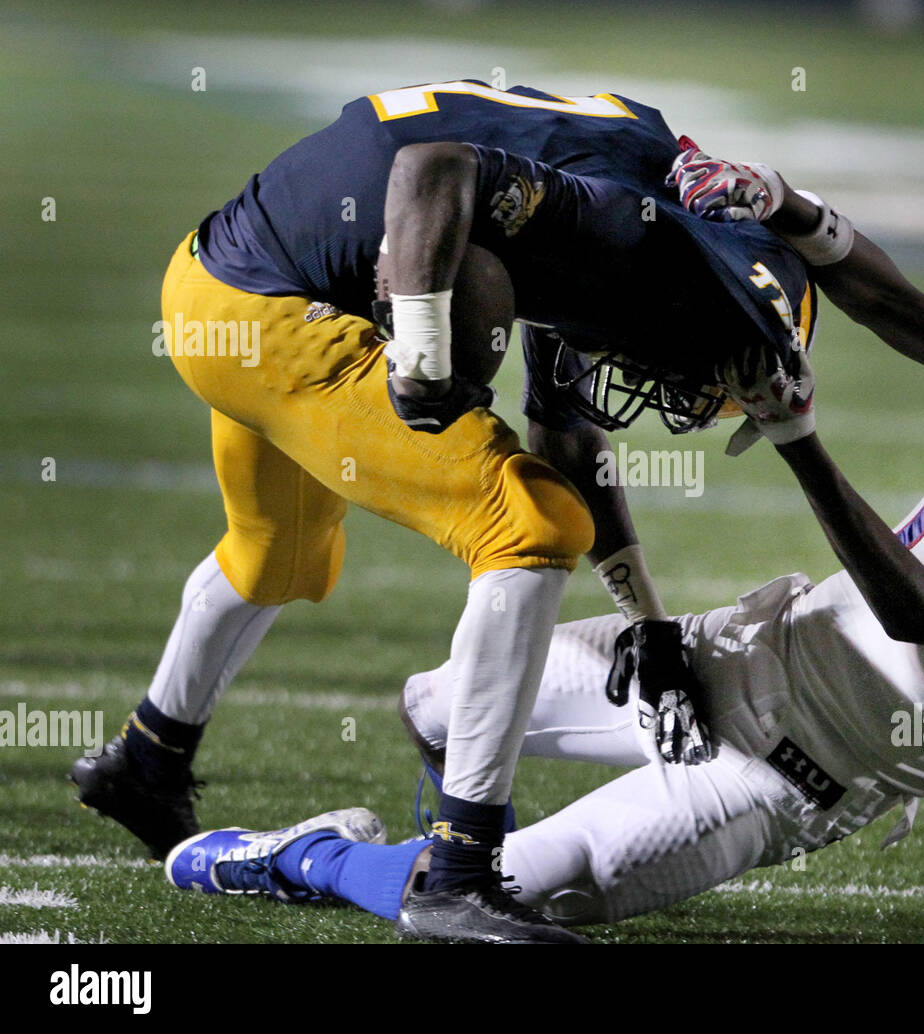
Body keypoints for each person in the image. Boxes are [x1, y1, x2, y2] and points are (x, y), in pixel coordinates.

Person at [163, 191, 924, 933]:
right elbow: (894, 306)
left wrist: (802, 440)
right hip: (749, 644)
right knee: (441, 706)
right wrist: (795, 214)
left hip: (798, 766)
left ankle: (311, 859)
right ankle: (428, 849)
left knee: (496, 911)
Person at [71, 80, 816, 942]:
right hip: (272, 305)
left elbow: (566, 431)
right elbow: (430, 169)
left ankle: (147, 759)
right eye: (696, 378)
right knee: (532, 526)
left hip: (233, 270)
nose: (671, 391)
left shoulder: (643, 191)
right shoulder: (625, 235)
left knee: (281, 555)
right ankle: (458, 874)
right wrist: (421, 351)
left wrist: (645, 624)